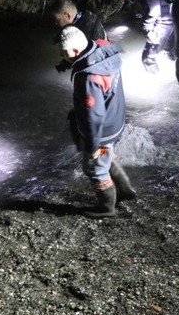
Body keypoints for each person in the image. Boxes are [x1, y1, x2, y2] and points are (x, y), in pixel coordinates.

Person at [58, 26, 137, 218]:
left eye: (64, 53)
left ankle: (106, 208)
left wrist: (93, 146)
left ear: (76, 51)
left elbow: (94, 115)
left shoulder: (89, 78)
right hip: (116, 119)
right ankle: (126, 192)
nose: (62, 55)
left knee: (95, 166)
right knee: (106, 156)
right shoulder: (103, 49)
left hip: (102, 131)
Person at [50, 0, 107, 73]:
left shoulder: (87, 29)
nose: (55, 23)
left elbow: (83, 54)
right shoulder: (84, 16)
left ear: (67, 16)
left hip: (101, 66)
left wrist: (65, 64)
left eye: (57, 20)